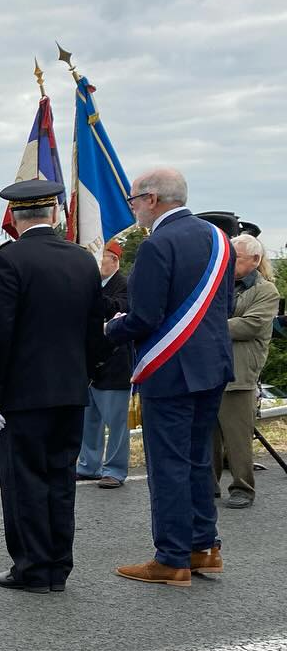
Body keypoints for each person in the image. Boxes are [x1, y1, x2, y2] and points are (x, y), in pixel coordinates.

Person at [0, 181, 105, 594]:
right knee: (60, 478)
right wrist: (87, 371)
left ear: (13, 218)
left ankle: (32, 567)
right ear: (54, 213)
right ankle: (57, 567)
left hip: (24, 392)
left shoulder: (7, 260)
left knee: (24, 480)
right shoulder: (83, 260)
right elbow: (93, 329)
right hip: (70, 388)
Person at [107, 168, 235, 586]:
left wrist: (110, 328)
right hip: (212, 365)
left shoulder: (158, 244)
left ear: (153, 199)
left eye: (133, 200)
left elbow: (144, 317)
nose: (132, 208)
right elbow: (227, 304)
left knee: (169, 465)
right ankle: (204, 546)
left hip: (171, 368)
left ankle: (172, 557)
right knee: (199, 458)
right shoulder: (219, 239)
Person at [213, 233, 276, 509]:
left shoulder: (266, 291)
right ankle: (208, 485)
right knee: (208, 435)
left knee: (238, 437)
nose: (231, 263)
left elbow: (249, 325)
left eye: (236, 257)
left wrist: (210, 325)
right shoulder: (222, 285)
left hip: (240, 373)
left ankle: (242, 487)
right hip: (212, 369)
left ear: (255, 259)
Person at [75, 239, 132, 488]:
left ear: (114, 261)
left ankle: (116, 469)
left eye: (100, 258)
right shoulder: (92, 284)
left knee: (116, 421)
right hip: (88, 362)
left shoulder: (125, 285)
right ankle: (89, 465)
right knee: (89, 419)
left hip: (114, 361)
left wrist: (89, 291)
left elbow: (117, 309)